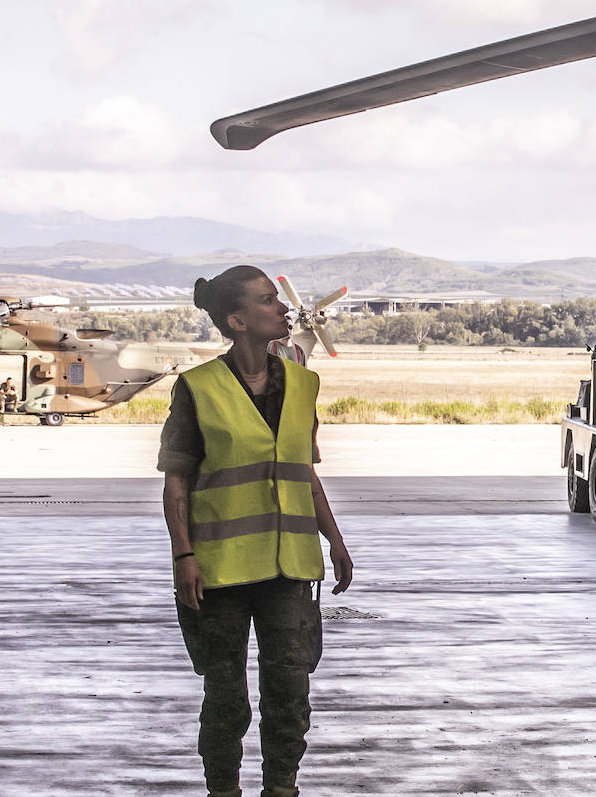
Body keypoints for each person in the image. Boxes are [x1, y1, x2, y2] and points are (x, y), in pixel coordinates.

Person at [160, 265, 353, 797]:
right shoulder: (197, 389)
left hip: (290, 567)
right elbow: (177, 485)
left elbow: (302, 471)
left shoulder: (303, 384)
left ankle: (281, 788)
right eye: (269, 301)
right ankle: (222, 789)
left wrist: (334, 539)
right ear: (236, 320)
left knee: (290, 689)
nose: (283, 308)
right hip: (218, 573)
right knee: (226, 695)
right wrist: (184, 558)